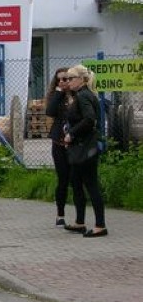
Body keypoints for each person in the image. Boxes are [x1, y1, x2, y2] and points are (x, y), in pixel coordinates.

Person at [62, 65, 107, 238]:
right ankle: (80, 221)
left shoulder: (83, 96)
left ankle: (100, 225)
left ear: (81, 79)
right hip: (80, 146)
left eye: (71, 78)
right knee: (75, 181)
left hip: (86, 147)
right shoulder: (82, 95)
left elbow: (89, 119)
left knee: (91, 184)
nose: (68, 81)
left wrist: (71, 134)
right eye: (66, 78)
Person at [44, 67, 73, 227]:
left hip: (74, 143)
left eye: (65, 79)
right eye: (59, 79)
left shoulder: (76, 95)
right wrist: (59, 92)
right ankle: (60, 214)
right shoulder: (56, 96)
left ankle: (79, 217)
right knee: (62, 179)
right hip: (59, 143)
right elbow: (50, 111)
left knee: (75, 179)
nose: (62, 82)